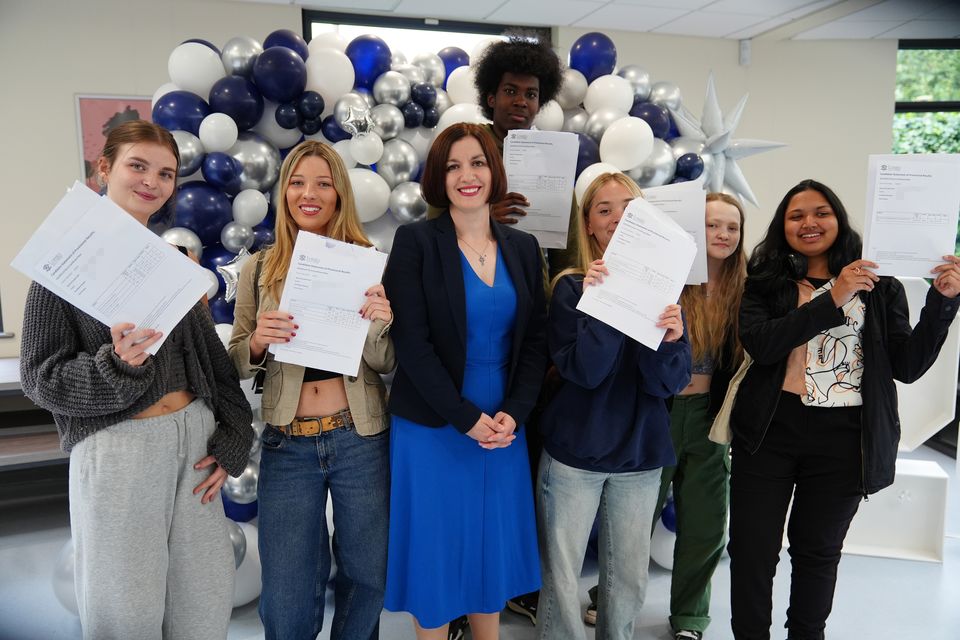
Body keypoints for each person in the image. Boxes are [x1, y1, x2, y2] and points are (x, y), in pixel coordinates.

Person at [19, 120, 253, 639]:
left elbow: (213, 364)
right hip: (118, 447)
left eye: (166, 173)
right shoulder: (59, 265)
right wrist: (117, 366)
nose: (152, 181)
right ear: (105, 168)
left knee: (204, 605)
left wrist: (234, 437)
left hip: (194, 442)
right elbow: (39, 376)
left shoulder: (170, 262)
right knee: (124, 610)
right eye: (137, 165)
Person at [728, 179, 960, 640]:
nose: (809, 223)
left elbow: (908, 366)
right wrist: (832, 296)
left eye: (821, 213)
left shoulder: (879, 286)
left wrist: (943, 302)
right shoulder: (765, 283)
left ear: (839, 220)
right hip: (770, 430)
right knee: (752, 551)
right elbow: (763, 344)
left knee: (817, 552)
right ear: (783, 227)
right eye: (797, 216)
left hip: (845, 436)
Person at [382, 122, 547, 640]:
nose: (467, 175)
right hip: (434, 425)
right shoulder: (415, 242)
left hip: (502, 424)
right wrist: (465, 419)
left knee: (489, 553)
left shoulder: (523, 246)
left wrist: (512, 414)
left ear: (493, 171)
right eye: (453, 166)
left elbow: (536, 341)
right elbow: (412, 345)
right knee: (437, 557)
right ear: (438, 177)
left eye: (477, 162)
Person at [227, 140, 395, 640]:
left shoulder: (369, 264)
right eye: (298, 182)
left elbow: (385, 363)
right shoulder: (260, 268)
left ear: (339, 194)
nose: (310, 193)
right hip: (288, 441)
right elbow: (234, 359)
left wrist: (381, 321)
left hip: (359, 437)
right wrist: (258, 340)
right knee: (286, 591)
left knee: (367, 577)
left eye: (323, 183)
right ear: (284, 194)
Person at [535, 172, 691, 640]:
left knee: (627, 578)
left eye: (628, 207)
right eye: (604, 209)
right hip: (573, 456)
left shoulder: (667, 293)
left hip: (639, 456)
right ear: (589, 226)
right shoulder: (569, 288)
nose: (617, 217)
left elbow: (667, 382)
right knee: (561, 577)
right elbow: (586, 371)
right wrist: (600, 300)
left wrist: (673, 338)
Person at [584, 193, 747, 640]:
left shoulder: (744, 288)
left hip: (712, 420)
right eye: (713, 225)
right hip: (658, 411)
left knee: (706, 523)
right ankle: (608, 596)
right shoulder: (667, 279)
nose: (723, 235)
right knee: (632, 519)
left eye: (732, 227)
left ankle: (690, 617)